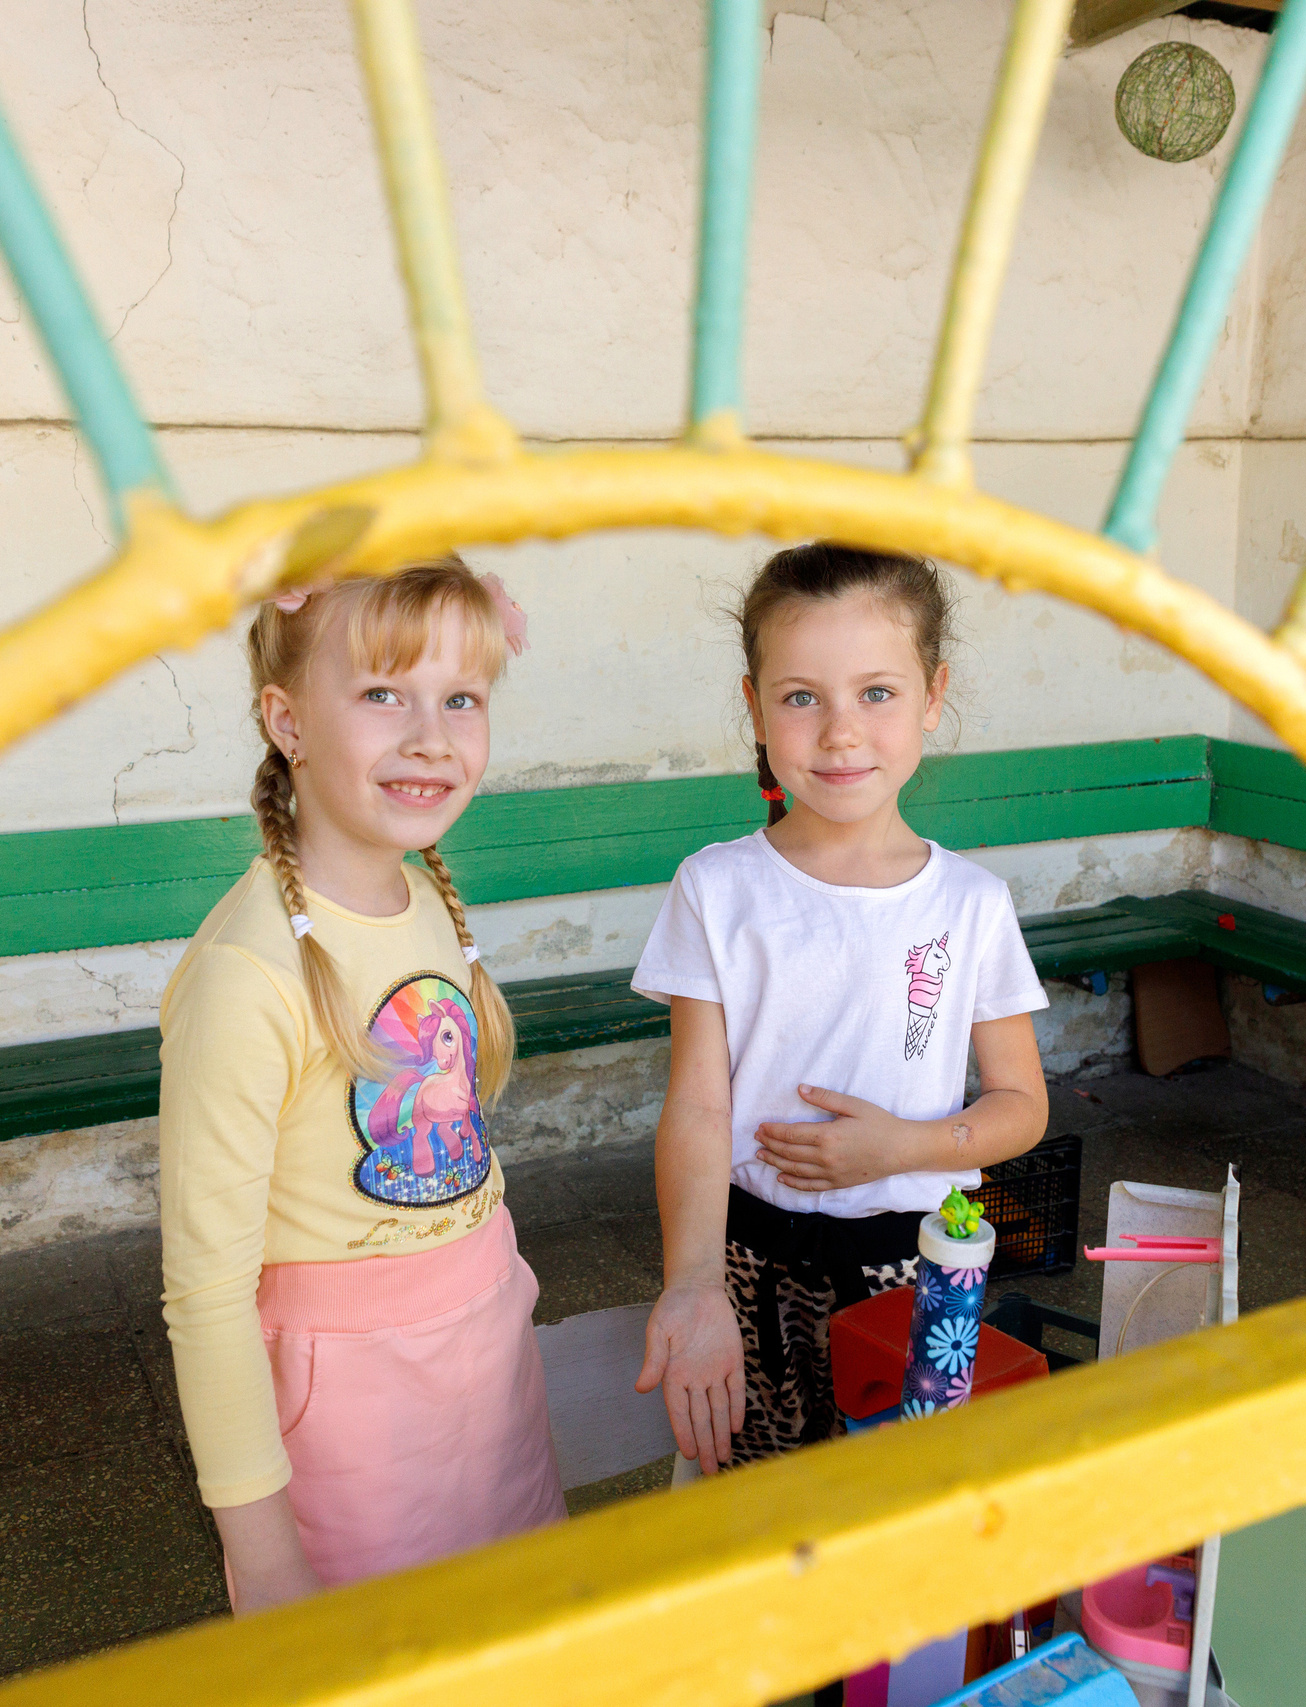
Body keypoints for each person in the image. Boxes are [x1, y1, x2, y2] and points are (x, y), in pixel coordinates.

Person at [158, 557, 560, 1610]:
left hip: (482, 1375)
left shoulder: (421, 892)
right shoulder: (247, 977)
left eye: (459, 698)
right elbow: (206, 1298)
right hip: (351, 1426)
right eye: (383, 693)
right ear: (286, 720)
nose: (430, 735)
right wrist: (263, 1550)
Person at [632, 542, 1051, 1469]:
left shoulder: (970, 903)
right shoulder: (717, 887)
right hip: (745, 1268)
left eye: (877, 692)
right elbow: (700, 1106)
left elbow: (1022, 1107)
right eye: (800, 696)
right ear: (754, 707)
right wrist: (693, 1283)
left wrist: (902, 1145)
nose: (840, 732)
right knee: (757, 1524)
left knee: (899, 1524)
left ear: (933, 696)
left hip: (917, 1276)